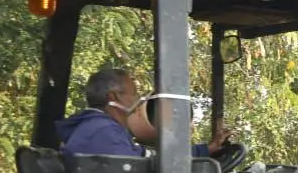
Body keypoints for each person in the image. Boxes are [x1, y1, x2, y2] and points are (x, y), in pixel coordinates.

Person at [57, 67, 228, 158]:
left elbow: (152, 158)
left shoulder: (99, 128)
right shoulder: (103, 132)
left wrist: (206, 149)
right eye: (134, 94)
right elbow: (147, 168)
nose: (139, 100)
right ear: (113, 98)